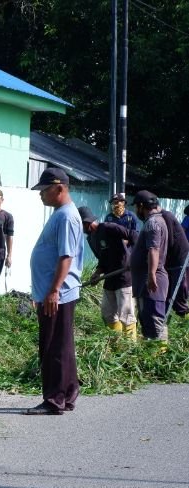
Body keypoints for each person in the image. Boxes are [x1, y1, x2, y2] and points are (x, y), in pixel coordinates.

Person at [26, 167, 83, 416]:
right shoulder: (62, 213)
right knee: (62, 344)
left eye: (44, 190)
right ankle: (68, 393)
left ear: (59, 188)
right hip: (55, 292)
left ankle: (54, 399)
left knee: (52, 346)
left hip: (57, 294)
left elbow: (66, 256)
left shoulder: (67, 216)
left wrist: (53, 291)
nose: (40, 195)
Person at [78, 206, 138, 337]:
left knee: (126, 314)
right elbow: (102, 260)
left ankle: (130, 348)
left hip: (124, 276)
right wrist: (97, 273)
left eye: (80, 225)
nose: (80, 229)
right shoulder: (91, 239)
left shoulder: (108, 227)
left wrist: (135, 258)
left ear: (86, 223)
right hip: (110, 277)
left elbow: (133, 235)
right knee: (108, 313)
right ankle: (117, 344)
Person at [130, 190, 170, 342]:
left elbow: (154, 249)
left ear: (141, 206)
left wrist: (151, 275)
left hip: (152, 283)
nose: (135, 211)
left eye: (136, 207)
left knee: (155, 322)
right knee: (148, 321)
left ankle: (159, 359)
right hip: (146, 282)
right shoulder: (153, 222)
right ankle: (153, 355)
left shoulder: (153, 223)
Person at [156, 206, 189, 319]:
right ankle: (180, 310)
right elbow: (183, 232)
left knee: (182, 284)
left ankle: (181, 310)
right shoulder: (187, 219)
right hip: (183, 254)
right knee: (179, 284)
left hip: (182, 256)